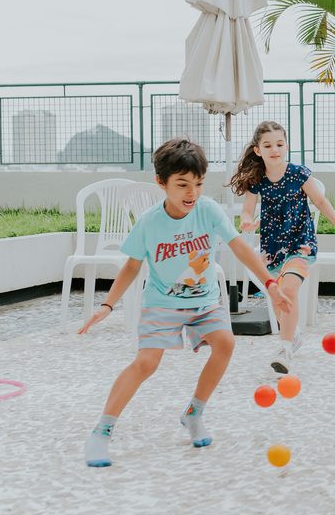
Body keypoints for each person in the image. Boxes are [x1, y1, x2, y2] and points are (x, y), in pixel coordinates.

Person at [79, 138, 294, 468]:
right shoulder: (150, 222)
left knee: (225, 343)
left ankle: (194, 413)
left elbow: (240, 248)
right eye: (182, 184)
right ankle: (101, 432)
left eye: (198, 183)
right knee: (146, 363)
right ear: (161, 183)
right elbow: (132, 266)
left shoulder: (207, 209)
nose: (191, 193)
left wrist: (271, 284)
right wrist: (107, 305)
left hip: (204, 300)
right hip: (162, 302)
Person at [230, 121, 335, 375]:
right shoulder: (258, 180)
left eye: (279, 144)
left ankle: (284, 348)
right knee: (278, 297)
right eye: (268, 145)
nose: (274, 150)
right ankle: (294, 335)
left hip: (301, 243)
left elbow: (320, 200)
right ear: (258, 151)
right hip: (273, 247)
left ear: (286, 146)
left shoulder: (298, 173)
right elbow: (247, 209)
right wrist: (246, 221)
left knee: (288, 289)